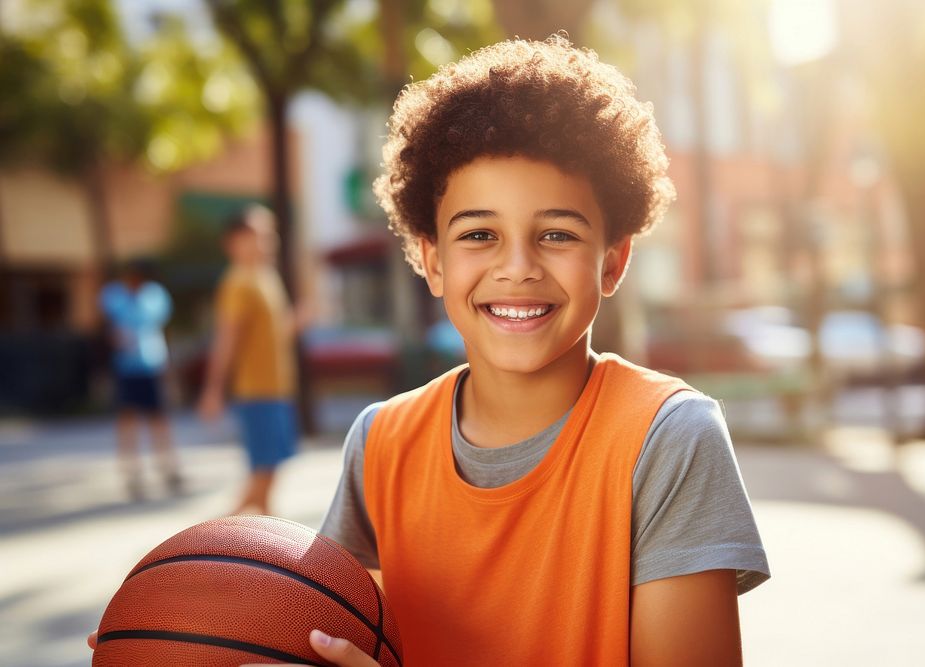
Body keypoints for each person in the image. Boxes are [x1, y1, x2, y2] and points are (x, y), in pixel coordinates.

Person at [91, 35, 770, 665]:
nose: (518, 267)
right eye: (479, 235)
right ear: (431, 259)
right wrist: (181, 625)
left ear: (613, 261)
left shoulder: (668, 438)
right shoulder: (381, 443)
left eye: (557, 234)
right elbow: (333, 635)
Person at [197, 205, 301, 516]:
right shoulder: (238, 282)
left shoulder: (266, 277)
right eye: (259, 234)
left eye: (271, 233)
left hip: (278, 389)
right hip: (256, 393)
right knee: (262, 476)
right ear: (234, 241)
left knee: (270, 476)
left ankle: (265, 549)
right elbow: (226, 338)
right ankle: (210, 545)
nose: (269, 240)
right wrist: (213, 390)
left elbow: (274, 334)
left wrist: (299, 321)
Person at [99, 258, 181, 500]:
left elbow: (159, 329)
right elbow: (107, 329)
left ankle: (168, 468)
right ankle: (131, 473)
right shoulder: (113, 297)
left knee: (159, 418)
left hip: (151, 364)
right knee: (128, 419)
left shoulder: (155, 297)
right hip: (125, 367)